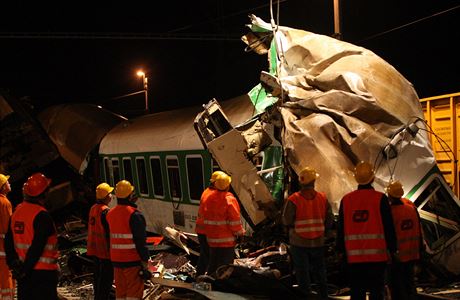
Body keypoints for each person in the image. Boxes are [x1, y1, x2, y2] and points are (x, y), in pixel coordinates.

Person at [337, 161, 397, 300]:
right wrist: (393, 249)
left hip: (353, 258)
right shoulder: (380, 199)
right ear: (373, 178)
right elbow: (389, 227)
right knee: (377, 292)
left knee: (357, 293)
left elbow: (341, 228)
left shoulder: (346, 200)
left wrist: (340, 250)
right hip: (377, 258)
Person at [5, 173, 59, 300]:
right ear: (43, 194)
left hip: (24, 275)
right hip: (42, 275)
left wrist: (14, 264)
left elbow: (8, 240)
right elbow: (37, 246)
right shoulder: (42, 215)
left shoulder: (17, 211)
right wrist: (25, 269)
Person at [282, 167, 333, 299]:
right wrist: (325, 233)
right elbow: (329, 219)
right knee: (320, 273)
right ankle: (323, 297)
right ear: (314, 181)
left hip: (299, 243)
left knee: (302, 274)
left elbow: (286, 220)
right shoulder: (322, 198)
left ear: (301, 182)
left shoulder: (293, 199)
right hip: (318, 241)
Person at [106, 180, 150, 300]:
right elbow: (140, 241)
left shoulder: (110, 214)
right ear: (130, 196)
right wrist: (145, 261)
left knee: (121, 293)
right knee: (133, 293)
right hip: (132, 261)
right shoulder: (134, 215)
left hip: (116, 260)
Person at [201, 171, 244, 276]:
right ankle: (221, 288)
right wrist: (240, 234)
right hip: (226, 242)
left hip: (212, 240)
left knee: (213, 264)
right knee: (225, 269)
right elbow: (234, 222)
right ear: (227, 186)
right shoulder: (229, 200)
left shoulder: (208, 198)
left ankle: (210, 284)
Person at [386, 180, 423, 300]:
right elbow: (418, 230)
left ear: (389, 195)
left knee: (397, 288)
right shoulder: (411, 209)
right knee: (410, 284)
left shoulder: (390, 212)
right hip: (412, 254)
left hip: (397, 257)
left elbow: (389, 235)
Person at [87, 182, 114, 300]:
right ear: (106, 196)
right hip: (105, 252)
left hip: (95, 250)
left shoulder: (93, 208)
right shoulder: (106, 211)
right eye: (110, 193)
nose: (111, 195)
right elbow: (109, 233)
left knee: (98, 280)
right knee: (105, 282)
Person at [195, 171, 224, 276]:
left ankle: (200, 275)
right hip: (207, 231)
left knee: (205, 254)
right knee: (211, 256)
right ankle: (205, 277)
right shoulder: (213, 195)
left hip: (202, 229)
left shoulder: (206, 192)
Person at [0, 173, 14, 300]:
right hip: (3, 250)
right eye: (7, 182)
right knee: (6, 280)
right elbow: (8, 228)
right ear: (3, 187)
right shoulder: (4, 202)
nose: (9, 184)